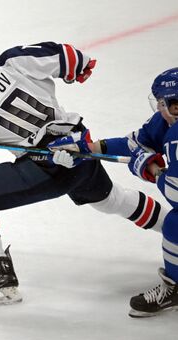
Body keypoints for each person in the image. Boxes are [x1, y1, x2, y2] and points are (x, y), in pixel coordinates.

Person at [0, 41, 169, 306]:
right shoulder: (14, 60)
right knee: (111, 200)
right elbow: (71, 58)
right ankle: (172, 227)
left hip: (44, 168)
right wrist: (79, 68)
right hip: (79, 148)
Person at [56, 68, 178, 317]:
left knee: (176, 224)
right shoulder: (167, 123)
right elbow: (135, 143)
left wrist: (151, 169)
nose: (159, 109)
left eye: (162, 104)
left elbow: (176, 195)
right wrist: (87, 148)